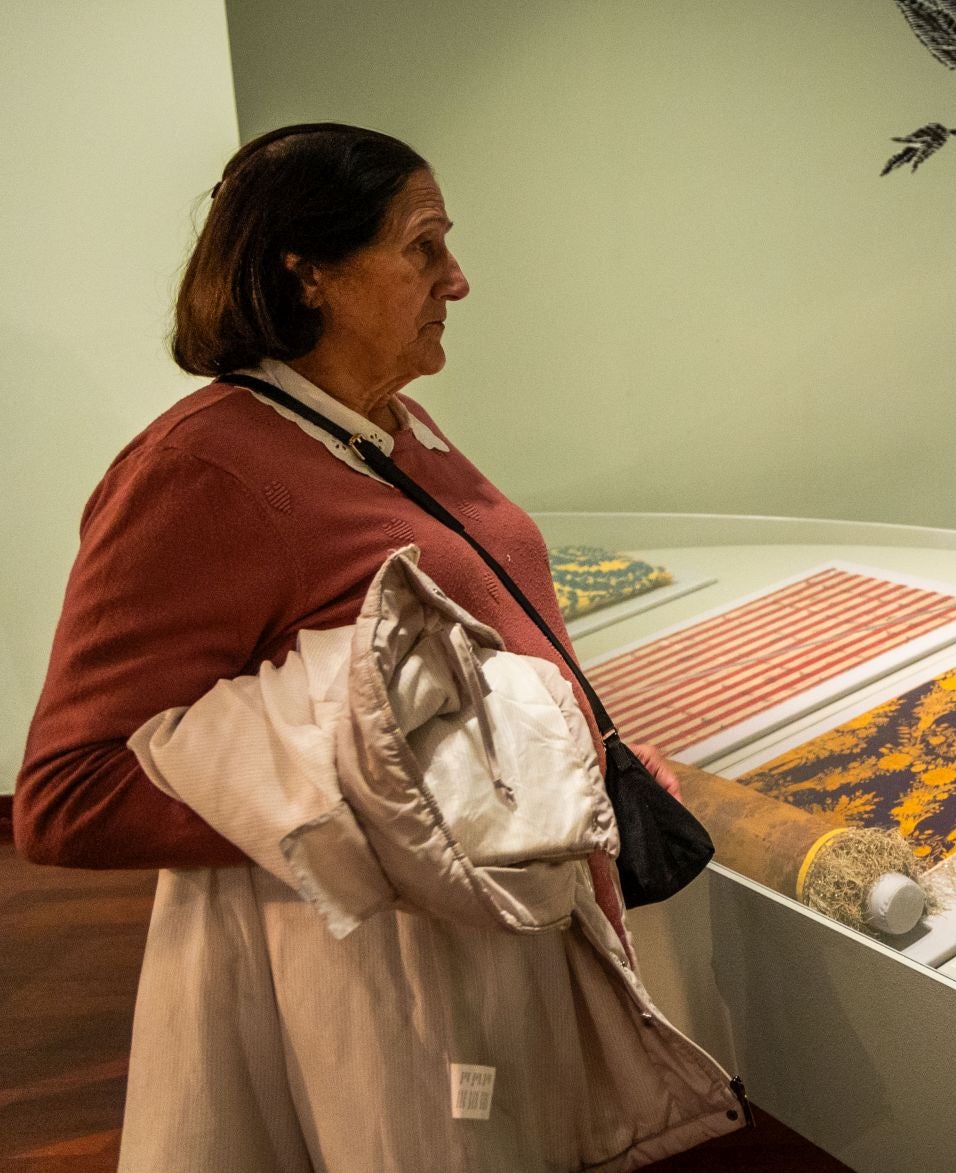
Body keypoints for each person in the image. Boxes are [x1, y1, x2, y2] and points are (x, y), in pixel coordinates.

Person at [13, 123, 739, 1168]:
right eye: (425, 248)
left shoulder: (394, 424)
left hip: (501, 932)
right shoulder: (199, 471)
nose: (459, 280)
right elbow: (68, 794)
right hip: (389, 977)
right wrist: (394, 809)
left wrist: (579, 751)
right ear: (308, 273)